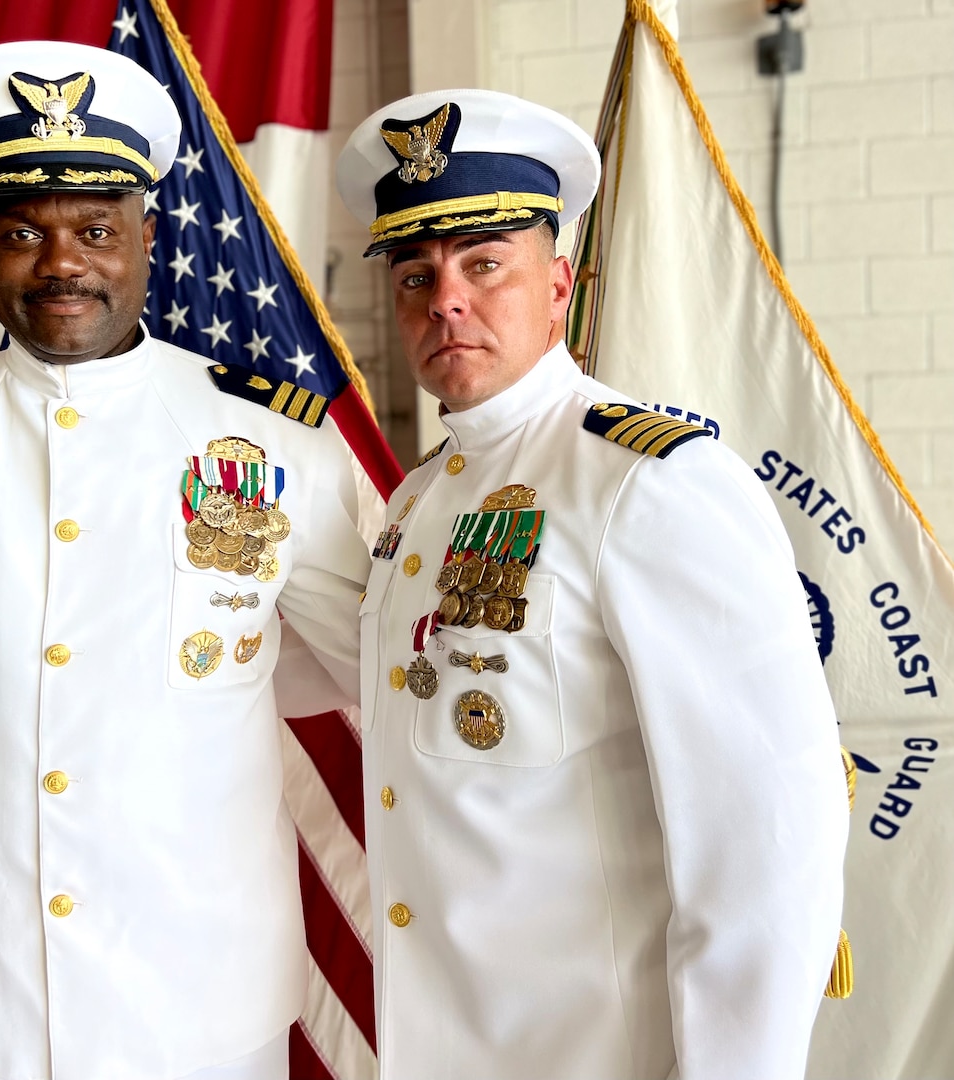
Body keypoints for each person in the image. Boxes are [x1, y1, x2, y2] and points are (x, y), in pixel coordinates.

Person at [0, 42, 371, 1080]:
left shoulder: (280, 449)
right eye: (23, 233)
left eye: (93, 231)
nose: (61, 263)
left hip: (203, 1014)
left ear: (146, 238)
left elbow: (384, 667)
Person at [336, 88, 849, 1080]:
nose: (445, 298)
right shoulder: (416, 506)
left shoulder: (646, 481)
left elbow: (763, 836)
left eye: (484, 265)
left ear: (559, 283)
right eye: (414, 274)